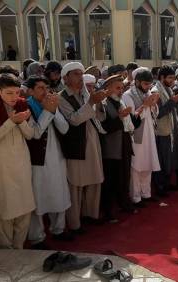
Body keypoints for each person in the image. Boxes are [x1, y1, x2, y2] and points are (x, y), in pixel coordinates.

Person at [0, 74, 35, 249]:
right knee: (4, 209)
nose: (14, 97)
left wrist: (20, 122)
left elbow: (30, 135)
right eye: (9, 93)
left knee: (24, 206)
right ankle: (6, 252)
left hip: (21, 162)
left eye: (17, 92)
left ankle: (19, 249)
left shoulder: (22, 105)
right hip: (0, 164)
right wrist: (12, 121)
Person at [25, 76, 73, 249]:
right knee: (38, 197)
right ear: (30, 91)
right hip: (37, 162)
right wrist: (47, 111)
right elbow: (35, 134)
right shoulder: (26, 107)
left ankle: (58, 229)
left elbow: (64, 128)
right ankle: (37, 237)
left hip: (56, 158)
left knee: (58, 192)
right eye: (40, 88)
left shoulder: (51, 104)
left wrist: (53, 110)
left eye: (46, 87)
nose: (45, 91)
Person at [58, 62, 106, 234]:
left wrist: (98, 103)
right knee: (76, 184)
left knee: (94, 179)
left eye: (80, 73)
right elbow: (74, 120)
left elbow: (99, 117)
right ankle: (75, 223)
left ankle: (91, 215)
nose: (80, 77)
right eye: (76, 74)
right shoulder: (61, 97)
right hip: (76, 144)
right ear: (66, 78)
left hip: (92, 140)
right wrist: (91, 103)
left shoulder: (86, 94)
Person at [96, 75, 140, 221]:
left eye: (122, 88)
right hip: (111, 147)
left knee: (124, 176)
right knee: (110, 179)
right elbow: (103, 126)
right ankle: (108, 211)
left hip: (124, 143)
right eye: (117, 88)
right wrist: (119, 117)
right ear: (107, 88)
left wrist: (136, 114)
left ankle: (124, 203)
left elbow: (130, 122)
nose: (121, 91)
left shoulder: (119, 101)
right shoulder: (102, 103)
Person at [122, 68, 160, 207]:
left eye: (149, 84)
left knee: (148, 163)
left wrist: (154, 105)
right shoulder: (128, 95)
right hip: (137, 135)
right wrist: (145, 105)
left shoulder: (148, 92)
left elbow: (154, 112)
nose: (148, 87)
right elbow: (132, 118)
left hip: (149, 133)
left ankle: (146, 193)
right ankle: (136, 197)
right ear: (137, 82)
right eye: (145, 84)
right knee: (136, 166)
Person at [152, 66, 178, 197]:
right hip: (161, 131)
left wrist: (173, 101)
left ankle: (166, 185)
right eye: (170, 77)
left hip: (170, 129)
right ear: (162, 77)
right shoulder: (156, 91)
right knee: (162, 160)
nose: (172, 80)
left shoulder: (168, 89)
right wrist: (172, 101)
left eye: (173, 77)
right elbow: (158, 113)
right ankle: (160, 188)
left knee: (169, 159)